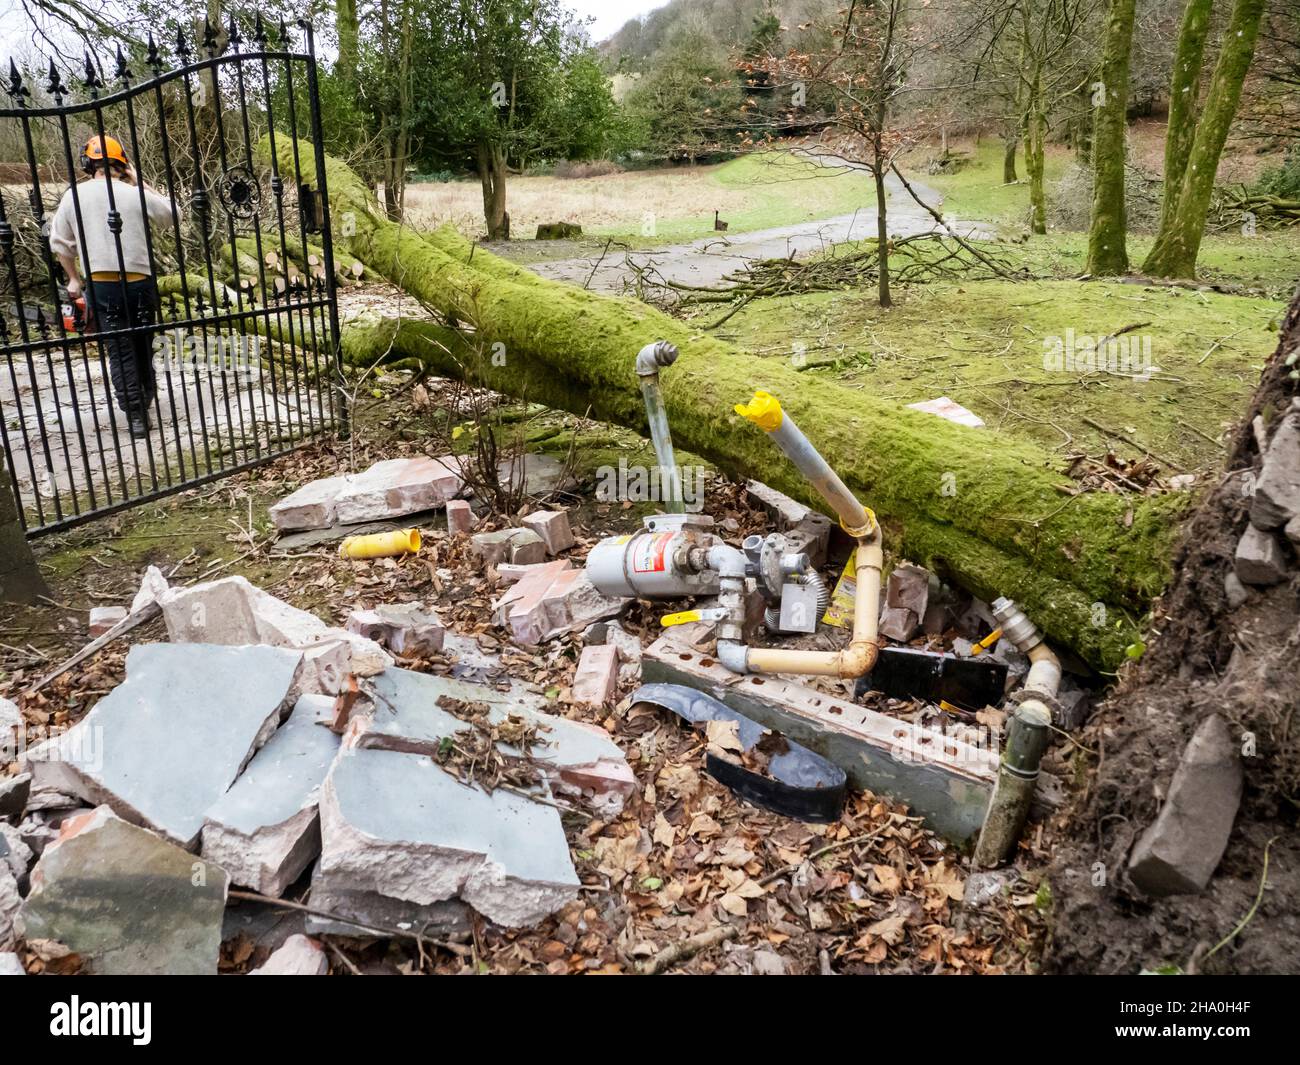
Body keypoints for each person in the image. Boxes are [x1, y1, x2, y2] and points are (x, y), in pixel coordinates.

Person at [49, 134, 172, 439]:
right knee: (144, 342)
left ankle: (136, 415)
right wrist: (138, 181)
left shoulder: (74, 196)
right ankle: (145, 393)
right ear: (122, 163)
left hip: (103, 284)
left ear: (88, 163)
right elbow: (172, 215)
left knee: (120, 349)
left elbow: (60, 243)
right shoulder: (132, 193)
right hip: (140, 282)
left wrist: (74, 277)